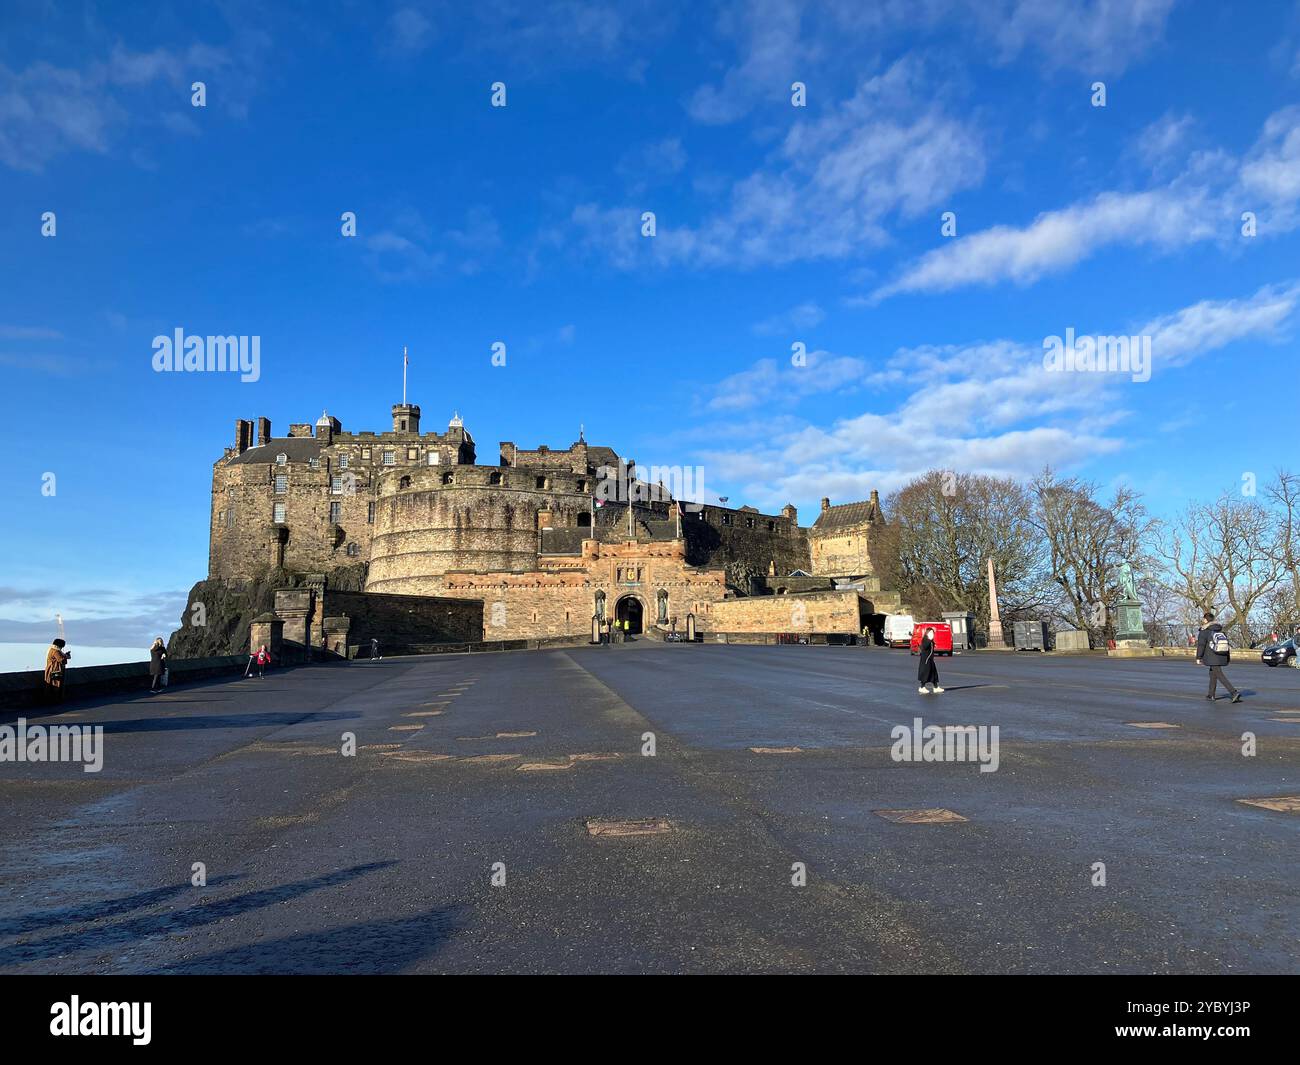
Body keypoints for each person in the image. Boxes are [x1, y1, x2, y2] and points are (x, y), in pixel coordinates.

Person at [1196, 611, 1241, 703]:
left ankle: (1233, 692)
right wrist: (1227, 657)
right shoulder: (1220, 630)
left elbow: (1201, 645)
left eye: (1203, 619)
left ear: (1205, 620)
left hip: (1212, 657)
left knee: (1219, 674)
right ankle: (1211, 694)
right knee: (1213, 674)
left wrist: (1198, 657)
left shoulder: (1204, 631)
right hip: (1221, 655)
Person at [917, 627, 943, 695]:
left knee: (933, 673)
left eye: (933, 633)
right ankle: (922, 687)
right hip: (926, 660)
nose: (932, 634)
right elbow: (925, 646)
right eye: (930, 633)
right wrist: (930, 640)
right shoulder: (925, 639)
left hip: (930, 660)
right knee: (926, 674)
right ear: (927, 633)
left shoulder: (931, 640)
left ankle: (936, 687)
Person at [44, 638, 69, 704]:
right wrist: (66, 656)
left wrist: (65, 655)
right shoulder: (56, 651)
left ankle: (52, 699)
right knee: (56, 684)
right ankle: (55, 700)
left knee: (52, 685)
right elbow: (61, 660)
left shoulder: (52, 649)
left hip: (52, 670)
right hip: (55, 671)